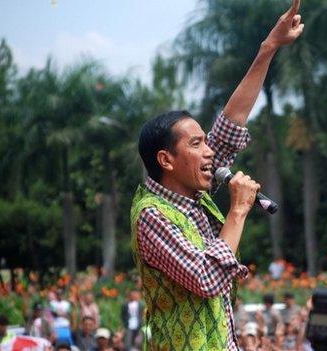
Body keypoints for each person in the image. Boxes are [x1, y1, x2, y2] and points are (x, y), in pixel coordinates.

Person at [129, 1, 304, 349]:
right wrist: (238, 210)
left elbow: (232, 122)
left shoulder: (192, 189)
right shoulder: (152, 215)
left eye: (207, 143)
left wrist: (267, 49)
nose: (210, 151)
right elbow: (208, 279)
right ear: (166, 160)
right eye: (197, 144)